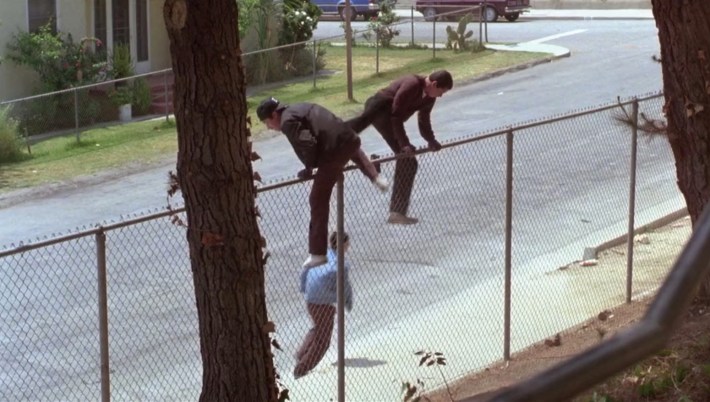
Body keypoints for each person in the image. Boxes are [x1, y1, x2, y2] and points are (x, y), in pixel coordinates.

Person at [256, 97, 387, 268]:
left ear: (274, 115)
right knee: (349, 147)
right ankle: (375, 176)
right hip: (349, 137)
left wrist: (310, 166)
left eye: (267, 122)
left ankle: (317, 253)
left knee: (317, 199)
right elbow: (329, 129)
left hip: (331, 153)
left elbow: (307, 144)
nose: (268, 127)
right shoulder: (301, 106)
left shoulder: (288, 122)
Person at [347, 70, 454, 225]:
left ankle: (373, 165)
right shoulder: (412, 85)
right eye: (441, 92)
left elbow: (424, 120)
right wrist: (404, 144)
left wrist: (431, 140)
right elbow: (395, 116)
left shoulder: (429, 98)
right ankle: (396, 211)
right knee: (406, 157)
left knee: (407, 160)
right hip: (380, 108)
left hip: (390, 117)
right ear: (434, 84)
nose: (441, 96)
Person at [294, 231, 354, 379]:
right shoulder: (342, 264)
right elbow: (345, 286)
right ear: (344, 245)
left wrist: (304, 289)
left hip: (311, 300)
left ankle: (301, 353)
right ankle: (301, 368)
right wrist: (348, 302)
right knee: (323, 340)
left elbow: (305, 270)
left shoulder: (320, 255)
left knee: (318, 327)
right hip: (323, 303)